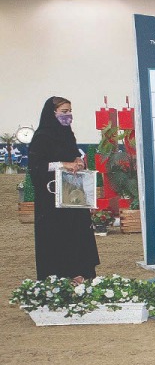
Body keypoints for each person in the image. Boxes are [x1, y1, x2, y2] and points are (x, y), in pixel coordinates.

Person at [28, 96, 99, 281]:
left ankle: (79, 272)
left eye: (70, 112)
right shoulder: (41, 136)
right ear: (52, 114)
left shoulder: (68, 134)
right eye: (64, 112)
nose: (68, 116)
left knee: (77, 232)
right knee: (57, 236)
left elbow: (74, 155)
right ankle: (59, 275)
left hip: (72, 193)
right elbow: (36, 166)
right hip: (51, 199)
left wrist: (77, 161)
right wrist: (62, 164)